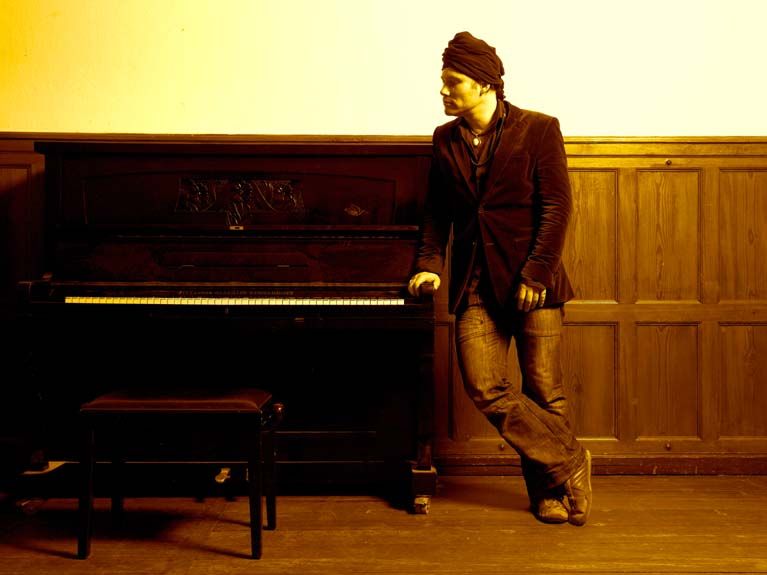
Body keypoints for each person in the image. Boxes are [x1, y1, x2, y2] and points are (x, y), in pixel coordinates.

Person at [408, 31, 592, 525]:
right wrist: (428, 264)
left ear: (486, 84)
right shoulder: (444, 139)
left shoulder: (540, 129)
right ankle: (570, 461)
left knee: (544, 393)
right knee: (485, 385)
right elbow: (436, 213)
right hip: (474, 285)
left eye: (453, 82)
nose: (443, 91)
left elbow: (557, 208)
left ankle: (549, 495)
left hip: (534, 283)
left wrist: (537, 272)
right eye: (443, 81)